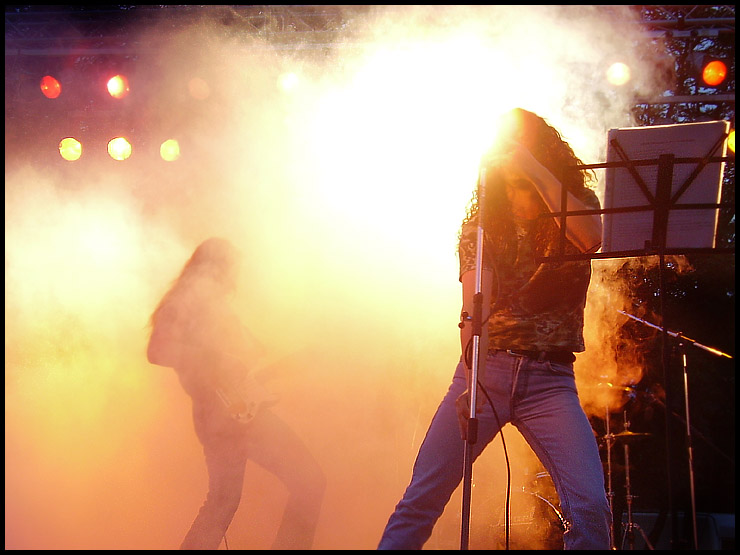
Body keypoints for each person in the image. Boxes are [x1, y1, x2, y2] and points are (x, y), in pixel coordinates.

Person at [377, 108, 611, 550]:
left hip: (550, 381)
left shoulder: (576, 205)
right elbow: (472, 308)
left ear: (541, 151)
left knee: (590, 509)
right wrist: (472, 377)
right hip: (488, 371)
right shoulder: (481, 227)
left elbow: (591, 237)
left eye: (518, 147)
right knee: (423, 498)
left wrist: (533, 169)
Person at [147, 237, 326, 550]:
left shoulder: (215, 307)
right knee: (306, 481)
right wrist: (217, 359)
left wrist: (282, 362)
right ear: (215, 267)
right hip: (223, 414)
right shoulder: (183, 301)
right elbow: (157, 350)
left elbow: (243, 369)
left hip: (237, 411)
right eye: (232, 270)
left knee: (224, 503)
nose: (235, 280)